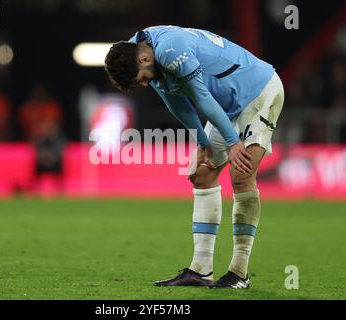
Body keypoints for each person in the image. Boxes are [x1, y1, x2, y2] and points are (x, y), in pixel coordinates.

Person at [104, 25, 284, 289]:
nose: (145, 83)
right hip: (226, 105)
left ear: (144, 59)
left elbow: (200, 97)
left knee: (242, 174)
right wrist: (202, 142)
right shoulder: (138, 51)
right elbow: (177, 103)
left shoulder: (170, 49)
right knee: (202, 173)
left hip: (258, 91)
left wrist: (233, 143)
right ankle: (201, 270)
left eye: (142, 78)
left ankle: (239, 272)